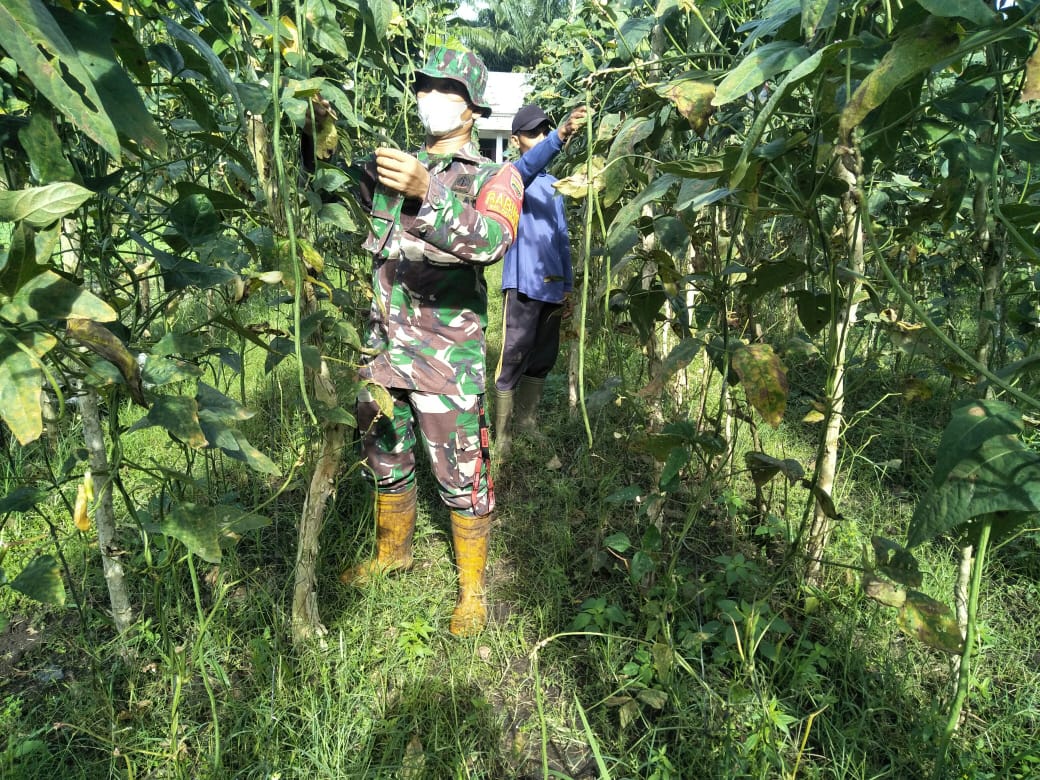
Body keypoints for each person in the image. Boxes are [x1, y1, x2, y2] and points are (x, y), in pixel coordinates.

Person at [306, 47, 523, 637]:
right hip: (382, 347)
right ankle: (392, 553)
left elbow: (491, 243)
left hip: (444, 355)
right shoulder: (389, 165)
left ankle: (473, 592)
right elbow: (325, 180)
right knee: (384, 451)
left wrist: (429, 190)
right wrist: (311, 124)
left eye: (446, 88)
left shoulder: (494, 176)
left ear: (472, 106)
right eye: (425, 84)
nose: (431, 96)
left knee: (460, 470)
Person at [493, 103, 587, 456]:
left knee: (544, 356)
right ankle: (502, 434)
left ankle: (526, 423)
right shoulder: (514, 175)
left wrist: (567, 287)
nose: (541, 137)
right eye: (534, 133)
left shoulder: (554, 185)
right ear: (516, 140)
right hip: (522, 283)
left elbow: (561, 238)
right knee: (514, 355)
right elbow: (530, 165)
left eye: (545, 130)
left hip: (551, 286)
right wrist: (560, 136)